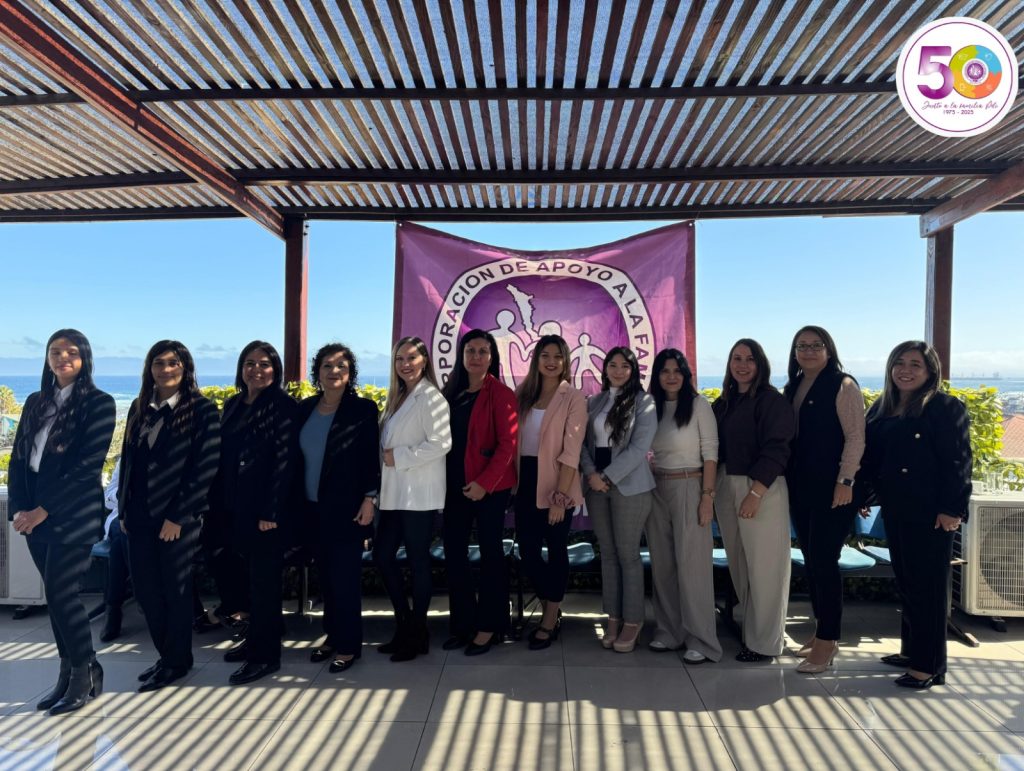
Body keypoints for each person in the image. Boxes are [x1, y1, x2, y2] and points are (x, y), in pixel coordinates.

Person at [8, 329, 116, 715]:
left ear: (84, 358)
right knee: (56, 600)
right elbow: (20, 458)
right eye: (55, 352)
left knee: (61, 594)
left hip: (74, 514)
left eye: (71, 352)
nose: (62, 358)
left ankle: (83, 674)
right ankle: (71, 670)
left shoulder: (99, 404)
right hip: (34, 517)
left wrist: (43, 509)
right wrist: (19, 508)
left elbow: (87, 467)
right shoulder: (36, 401)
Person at [860, 341, 971, 689]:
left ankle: (929, 665)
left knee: (928, 588)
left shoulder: (945, 406)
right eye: (899, 363)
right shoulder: (883, 407)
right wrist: (864, 496)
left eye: (915, 365)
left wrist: (952, 508)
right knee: (908, 583)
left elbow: (959, 461)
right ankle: (912, 651)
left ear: (930, 371)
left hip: (931, 512)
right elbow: (874, 459)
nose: (905, 370)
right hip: (897, 508)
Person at [118, 341, 220, 692]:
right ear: (150, 369)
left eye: (173, 362)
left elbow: (205, 466)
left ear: (185, 367)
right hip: (138, 516)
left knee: (175, 592)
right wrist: (123, 508)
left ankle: (176, 661)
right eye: (158, 363)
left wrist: (178, 515)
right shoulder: (138, 409)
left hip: (178, 518)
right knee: (146, 592)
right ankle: (168, 656)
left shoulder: (202, 409)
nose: (165, 369)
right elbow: (129, 462)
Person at [208, 341, 297, 684]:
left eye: (264, 364)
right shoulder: (233, 404)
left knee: (264, 585)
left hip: (265, 513)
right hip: (232, 508)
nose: (256, 370)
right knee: (242, 580)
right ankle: (255, 640)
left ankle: (265, 657)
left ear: (275, 370)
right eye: (250, 363)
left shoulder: (283, 405)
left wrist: (271, 510)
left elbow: (285, 462)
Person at [783, 326, 865, 673]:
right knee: (813, 561)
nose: (809, 350)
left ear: (829, 350)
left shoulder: (843, 385)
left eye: (816, 345)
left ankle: (829, 640)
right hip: (801, 487)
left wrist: (846, 480)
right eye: (802, 345)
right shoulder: (792, 386)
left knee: (825, 562)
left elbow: (856, 437)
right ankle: (820, 633)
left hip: (834, 489)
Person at [298, 343, 379, 672]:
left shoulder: (363, 410)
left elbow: (370, 458)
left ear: (350, 373)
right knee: (326, 579)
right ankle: (332, 636)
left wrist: (370, 498)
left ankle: (348, 646)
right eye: (327, 366)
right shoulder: (304, 409)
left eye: (341, 366)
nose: (334, 371)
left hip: (348, 509)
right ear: (317, 372)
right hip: (311, 509)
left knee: (345, 579)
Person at [713, 339, 794, 662]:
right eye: (737, 358)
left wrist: (756, 493)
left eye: (749, 359)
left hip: (761, 489)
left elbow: (778, 448)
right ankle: (752, 633)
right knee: (741, 567)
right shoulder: (724, 403)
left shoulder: (772, 401)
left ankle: (765, 644)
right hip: (727, 487)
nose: (742, 365)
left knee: (766, 570)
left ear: (760, 364)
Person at [441, 330, 518, 656]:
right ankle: (463, 625)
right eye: (470, 350)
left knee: (490, 556)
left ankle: (489, 627)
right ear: (461, 356)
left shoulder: (501, 394)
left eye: (482, 351)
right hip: (454, 488)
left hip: (490, 489)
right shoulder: (451, 393)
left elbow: (508, 445)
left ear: (492, 357)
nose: (475, 356)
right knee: (454, 555)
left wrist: (484, 483)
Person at [375, 337, 451, 662]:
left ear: (424, 361)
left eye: (411, 358)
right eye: (399, 359)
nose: (405, 364)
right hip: (394, 493)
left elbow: (442, 443)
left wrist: (400, 456)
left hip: (419, 494)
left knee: (418, 562)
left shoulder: (431, 397)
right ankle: (405, 624)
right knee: (382, 556)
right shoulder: (398, 397)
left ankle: (417, 631)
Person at [646, 348, 722, 664]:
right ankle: (669, 632)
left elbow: (711, 453)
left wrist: (707, 497)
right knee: (663, 565)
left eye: (677, 371)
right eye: (665, 371)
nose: (671, 376)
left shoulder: (699, 405)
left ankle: (701, 640)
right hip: (656, 488)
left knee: (693, 566)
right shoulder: (650, 407)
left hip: (691, 486)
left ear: (686, 375)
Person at [580, 347, 657, 653]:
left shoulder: (644, 402)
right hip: (596, 486)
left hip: (630, 487)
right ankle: (613, 617)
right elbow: (582, 443)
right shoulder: (594, 401)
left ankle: (633, 622)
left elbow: (639, 449)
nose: (618, 370)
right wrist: (591, 474)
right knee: (609, 555)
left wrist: (608, 476)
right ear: (605, 368)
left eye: (625, 366)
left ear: (633, 370)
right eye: (613, 365)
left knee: (628, 555)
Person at [514, 334, 586, 650]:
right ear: (536, 359)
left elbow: (572, 450)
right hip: (525, 481)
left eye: (558, 356)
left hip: (558, 480)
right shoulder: (523, 394)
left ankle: (549, 618)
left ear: (566, 361)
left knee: (556, 549)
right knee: (528, 552)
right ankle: (552, 606)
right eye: (545, 355)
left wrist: (560, 496)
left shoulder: (574, 397)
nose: (551, 361)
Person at [99, 463, 131, 643]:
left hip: (150, 518)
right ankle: (114, 608)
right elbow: (107, 498)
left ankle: (113, 606)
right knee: (121, 536)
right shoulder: (123, 460)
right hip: (120, 516)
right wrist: (122, 494)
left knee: (121, 544)